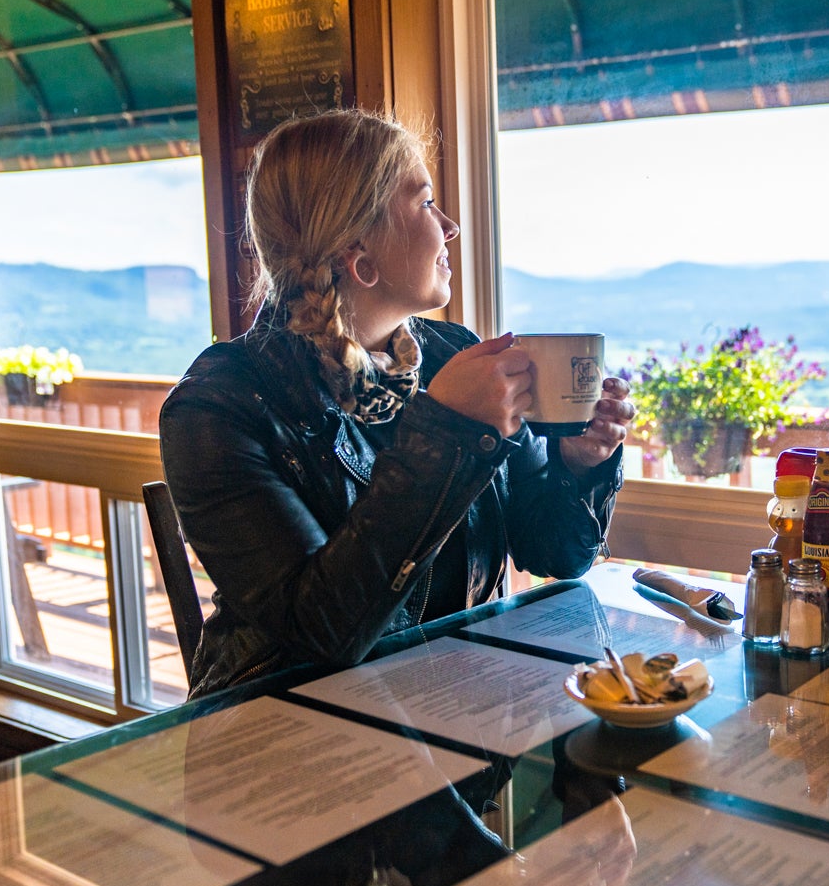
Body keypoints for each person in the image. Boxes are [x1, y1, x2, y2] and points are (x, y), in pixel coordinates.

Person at [159, 109, 633, 698]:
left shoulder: (450, 355)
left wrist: (580, 465)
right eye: (427, 203)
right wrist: (449, 432)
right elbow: (321, 633)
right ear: (360, 255)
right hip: (290, 736)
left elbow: (556, 552)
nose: (450, 226)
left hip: (456, 708)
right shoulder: (219, 409)